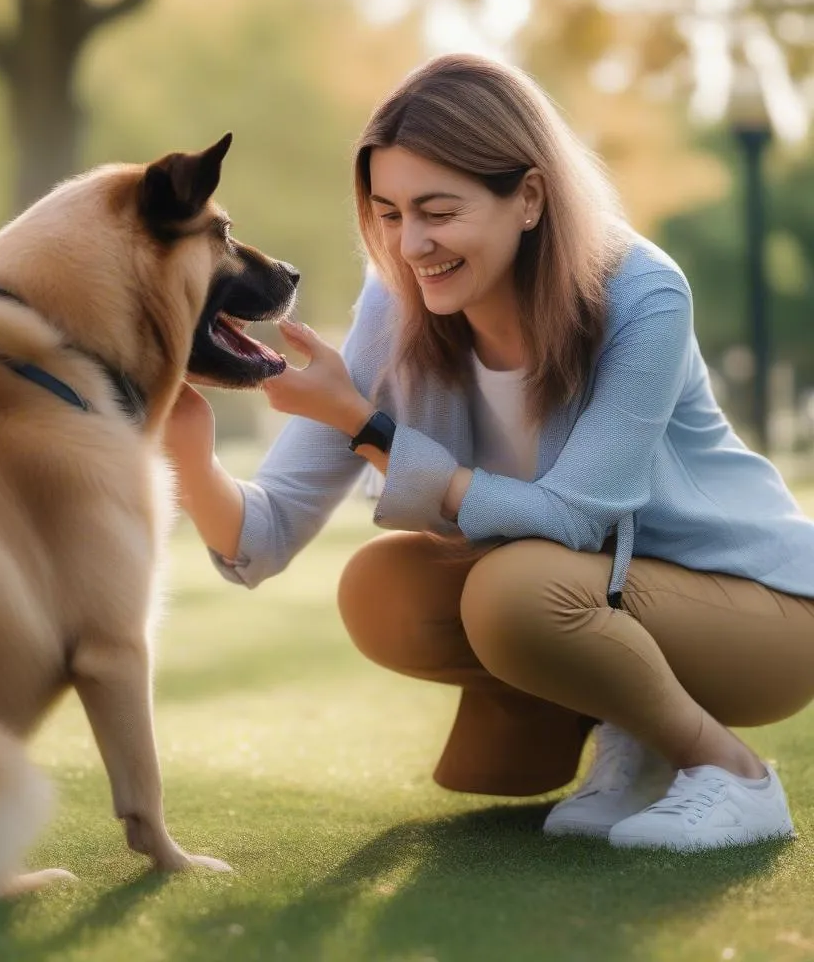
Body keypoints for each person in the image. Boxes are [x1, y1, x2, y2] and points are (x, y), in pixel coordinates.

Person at [163, 53, 814, 851]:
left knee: (513, 590)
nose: (411, 245)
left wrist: (369, 428)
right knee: (381, 588)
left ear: (529, 197)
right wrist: (189, 456)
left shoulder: (643, 291)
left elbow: (573, 518)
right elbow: (262, 537)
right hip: (590, 599)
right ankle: (638, 738)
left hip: (760, 612)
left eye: (439, 211)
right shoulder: (394, 299)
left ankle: (735, 775)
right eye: (390, 213)